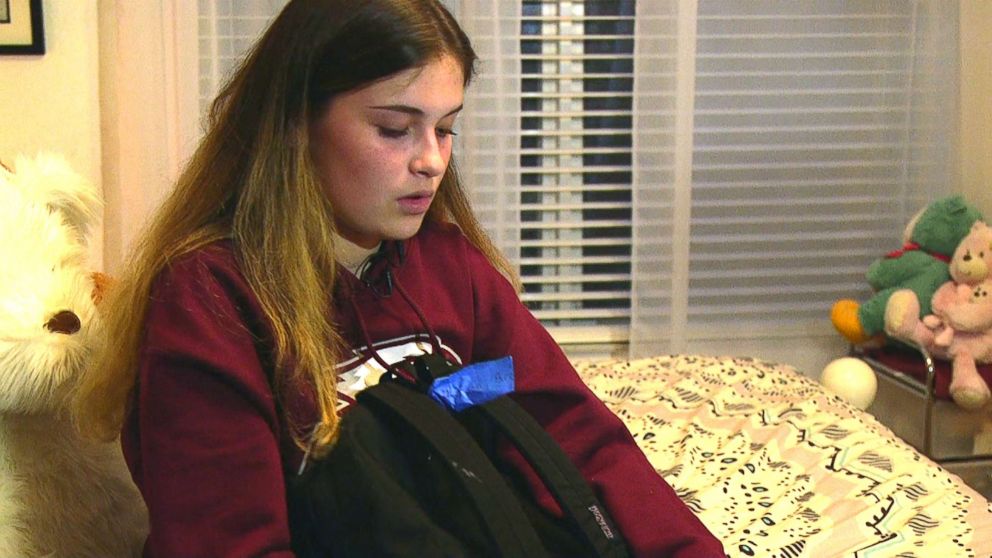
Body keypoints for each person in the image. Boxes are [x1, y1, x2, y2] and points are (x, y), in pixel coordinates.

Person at [73, 0, 724, 556]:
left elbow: (560, 422)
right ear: (296, 124)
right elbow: (230, 540)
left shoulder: (449, 271)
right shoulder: (213, 301)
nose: (431, 161)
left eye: (445, 129)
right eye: (394, 128)